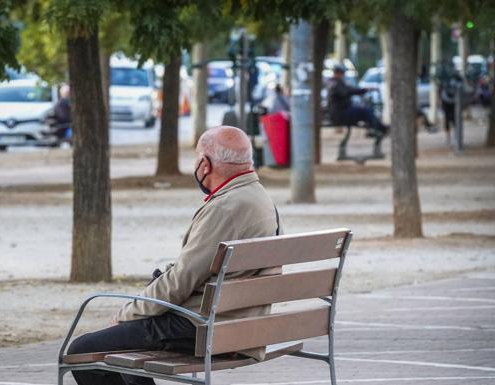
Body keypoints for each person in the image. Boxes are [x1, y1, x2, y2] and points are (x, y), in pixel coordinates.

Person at [67, 126, 283, 385]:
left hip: (205, 327)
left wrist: (127, 314)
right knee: (127, 347)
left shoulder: (226, 207)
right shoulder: (259, 198)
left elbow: (180, 281)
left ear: (205, 164)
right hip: (239, 324)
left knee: (83, 350)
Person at [328, 65, 388, 137]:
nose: (342, 75)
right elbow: (346, 91)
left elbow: (351, 90)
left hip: (341, 112)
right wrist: (361, 90)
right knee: (365, 111)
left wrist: (365, 90)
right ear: (337, 73)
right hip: (341, 113)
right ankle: (381, 128)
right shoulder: (335, 83)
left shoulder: (336, 82)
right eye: (341, 73)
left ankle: (375, 129)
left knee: (365, 111)